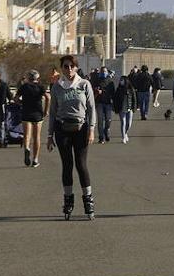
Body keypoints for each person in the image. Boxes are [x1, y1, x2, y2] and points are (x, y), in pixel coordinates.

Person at [46, 55, 97, 219]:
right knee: (67, 165)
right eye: (65, 66)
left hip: (81, 128)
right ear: (61, 68)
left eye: (71, 66)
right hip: (62, 129)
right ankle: (68, 201)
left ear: (76, 67)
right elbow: (53, 112)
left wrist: (91, 129)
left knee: (81, 164)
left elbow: (91, 109)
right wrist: (49, 135)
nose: (68, 69)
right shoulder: (57, 87)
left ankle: (88, 200)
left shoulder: (84, 85)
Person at [17, 70, 48, 166]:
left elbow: (16, 98)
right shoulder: (40, 87)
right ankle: (35, 159)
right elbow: (48, 97)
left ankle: (27, 148)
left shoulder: (24, 86)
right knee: (36, 137)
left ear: (28, 78)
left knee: (27, 135)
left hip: (26, 112)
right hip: (37, 113)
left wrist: (22, 103)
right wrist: (46, 110)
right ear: (37, 78)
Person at [93, 67, 115, 144]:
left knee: (108, 120)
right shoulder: (97, 81)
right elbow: (92, 90)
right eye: (102, 71)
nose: (103, 73)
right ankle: (101, 137)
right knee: (100, 121)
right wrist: (96, 91)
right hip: (99, 103)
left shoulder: (110, 82)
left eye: (105, 71)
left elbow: (113, 93)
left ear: (107, 72)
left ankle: (106, 131)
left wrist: (114, 103)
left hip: (108, 103)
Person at [113, 72, 135, 144]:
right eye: (120, 80)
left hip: (129, 108)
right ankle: (123, 137)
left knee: (129, 124)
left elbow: (134, 99)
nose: (121, 81)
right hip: (121, 109)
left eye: (122, 80)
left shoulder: (131, 89)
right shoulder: (118, 89)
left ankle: (125, 133)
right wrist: (115, 109)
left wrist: (134, 107)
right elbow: (115, 100)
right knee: (123, 122)